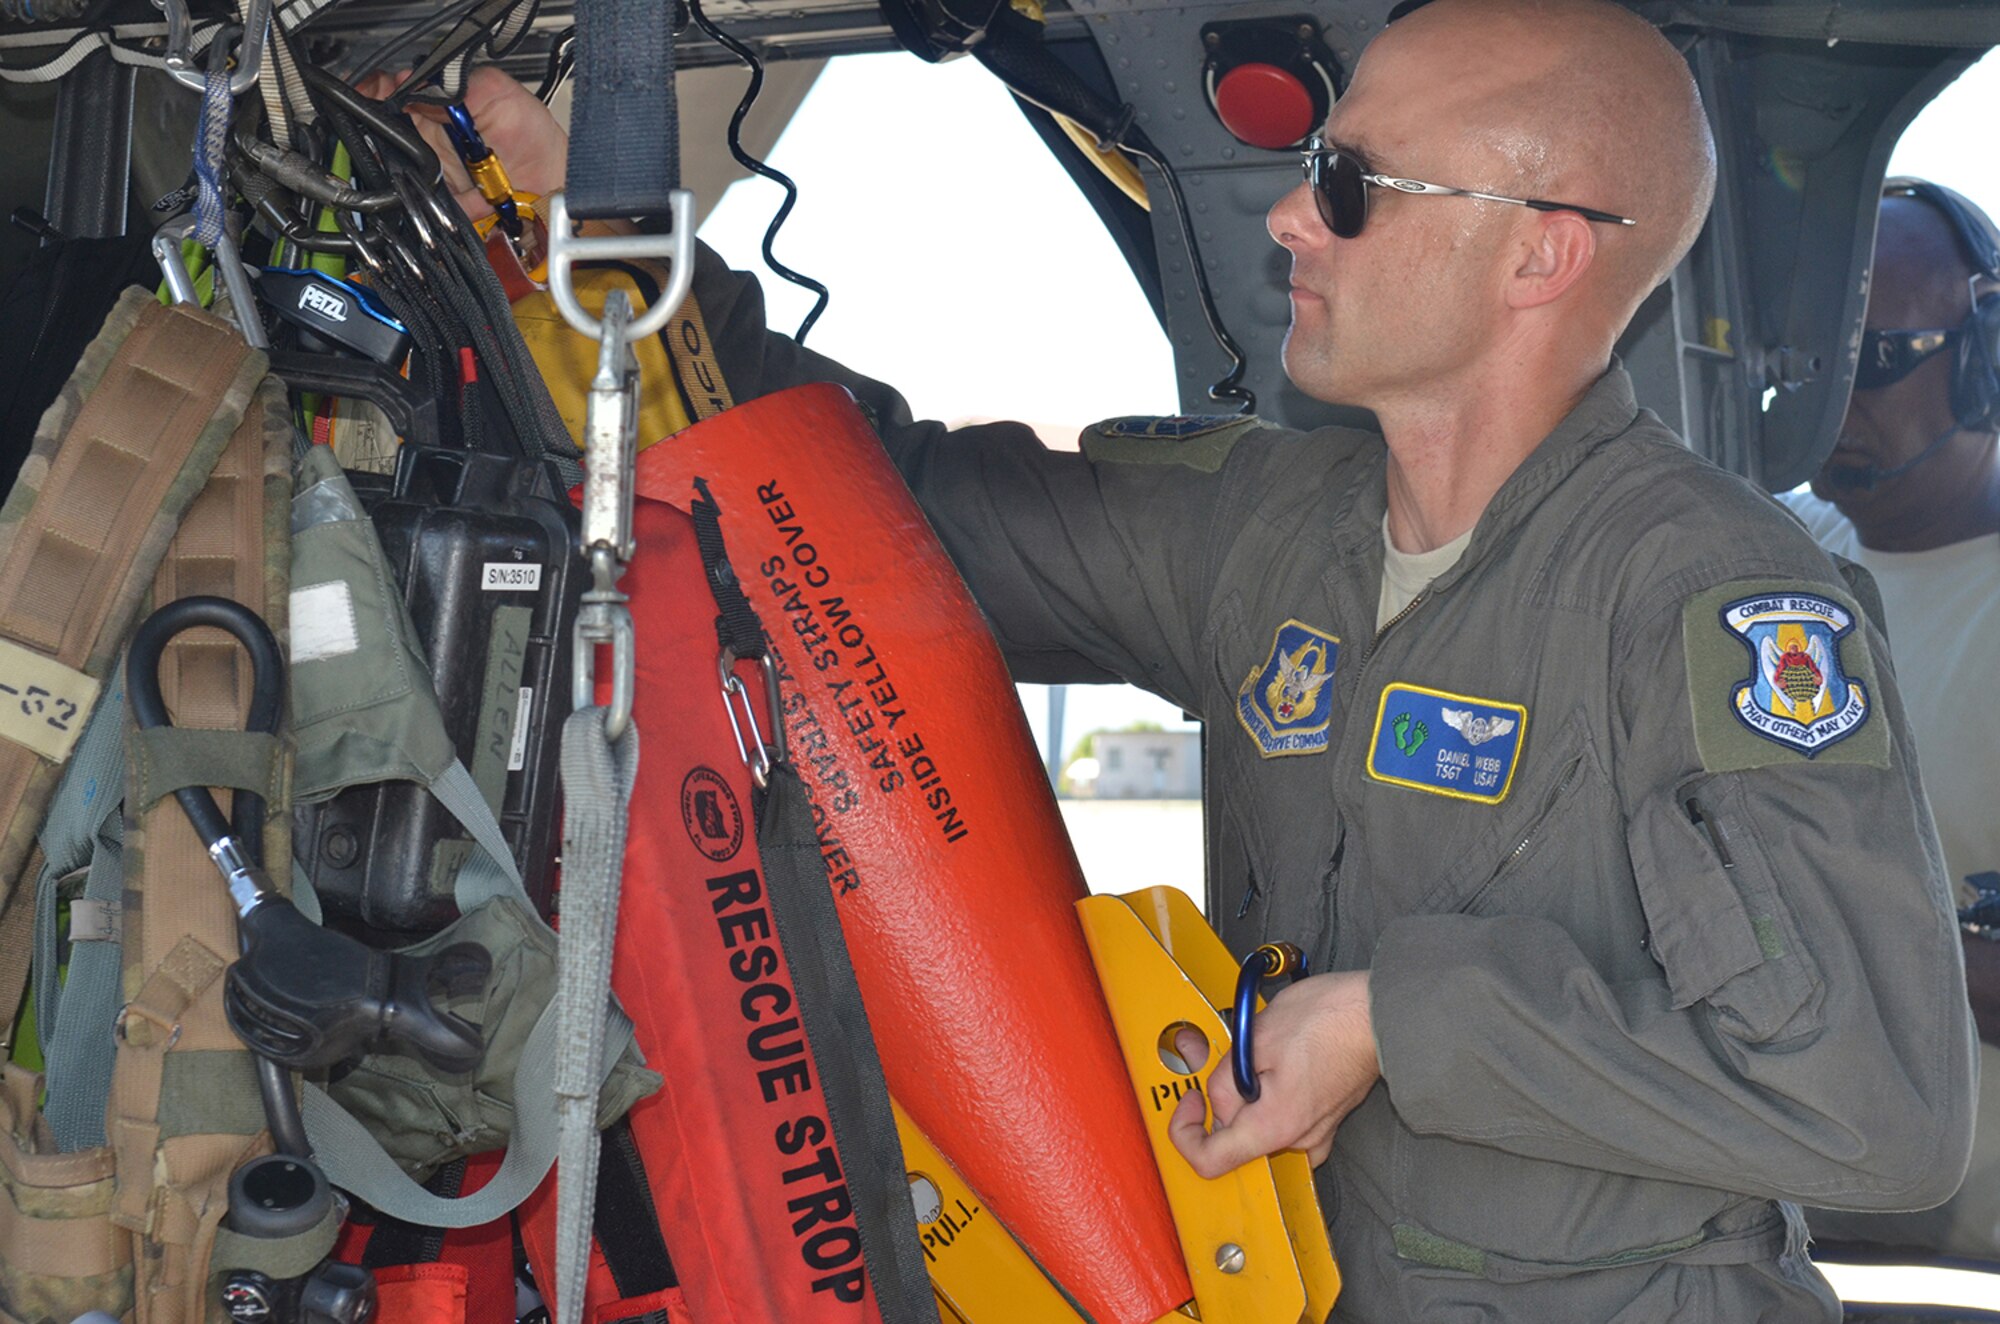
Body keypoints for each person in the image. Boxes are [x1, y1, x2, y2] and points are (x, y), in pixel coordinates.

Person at [407, 1, 1975, 1316]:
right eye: (1308, 169)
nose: (1297, 214)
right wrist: (600, 245)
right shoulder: (1262, 526)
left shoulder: (1707, 593)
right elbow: (872, 519)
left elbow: (1875, 1104)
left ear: (1540, 259)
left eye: (1353, 186)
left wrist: (1389, 1022)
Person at [1781, 179, 2000, 1264]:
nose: (1824, 399)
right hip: (1778, 1248)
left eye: (1870, 359)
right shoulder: (1759, 554)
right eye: (1804, 359)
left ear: (1980, 359)